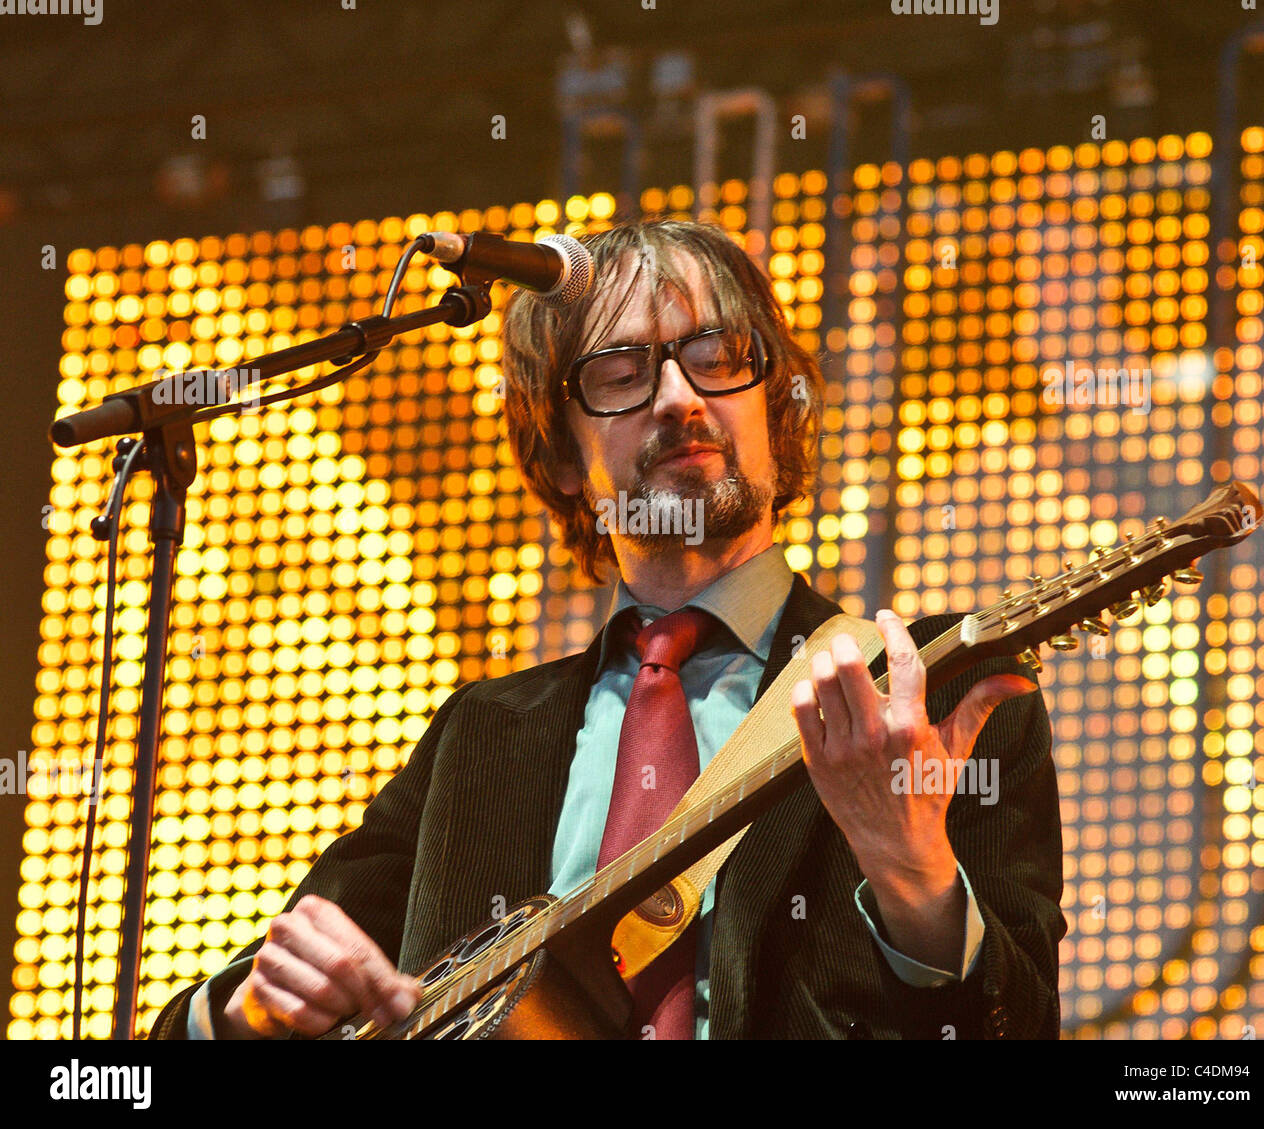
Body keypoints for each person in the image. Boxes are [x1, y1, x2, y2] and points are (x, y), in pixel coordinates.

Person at [150, 218, 1065, 1041]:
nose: (677, 398)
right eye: (622, 374)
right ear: (557, 451)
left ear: (777, 408)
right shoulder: (481, 732)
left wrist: (916, 876)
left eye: (717, 356)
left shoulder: (921, 688)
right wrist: (245, 1017)